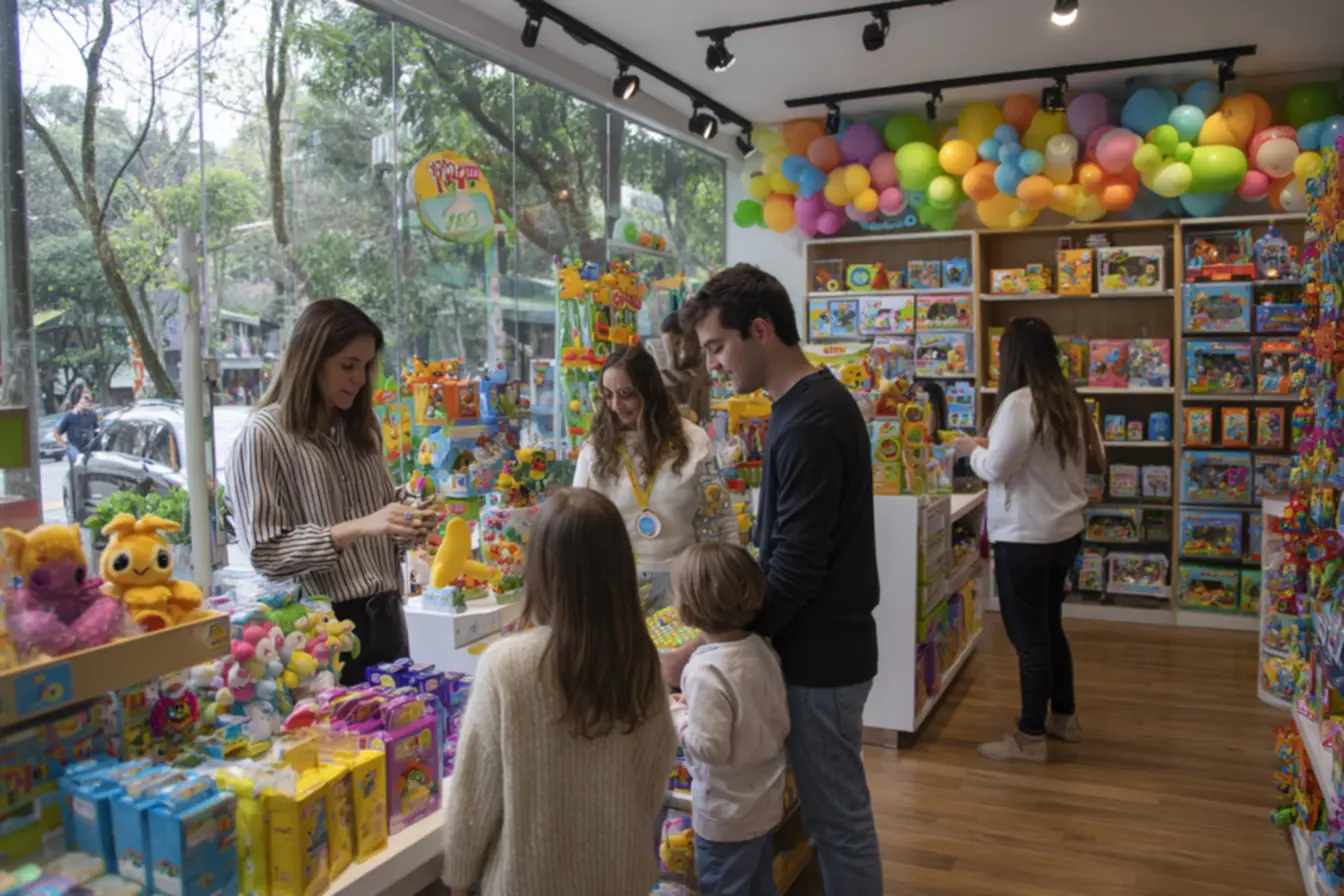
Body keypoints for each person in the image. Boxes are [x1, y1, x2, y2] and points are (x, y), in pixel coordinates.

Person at [674, 264, 884, 895]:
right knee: (826, 817)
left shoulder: (811, 419)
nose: (714, 366)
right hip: (821, 649)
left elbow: (795, 567)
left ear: (759, 330)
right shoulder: (804, 408)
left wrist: (718, 641)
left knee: (837, 822)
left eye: (717, 347)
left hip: (824, 658)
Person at [441, 488, 677, 896]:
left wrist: (459, 877)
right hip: (621, 877)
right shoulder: (641, 665)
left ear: (541, 567)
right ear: (620, 567)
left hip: (527, 882)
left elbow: (474, 795)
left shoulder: (506, 665)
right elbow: (653, 780)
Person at [227, 298, 437, 685]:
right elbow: (266, 553)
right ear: (311, 360)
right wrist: (356, 528)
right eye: (347, 365)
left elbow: (378, 514)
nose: (358, 379)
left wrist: (407, 518)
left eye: (366, 366)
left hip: (387, 619)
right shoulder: (264, 435)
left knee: (403, 738)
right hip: (319, 636)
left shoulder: (362, 428)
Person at [954, 316, 1106, 763]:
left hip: (1025, 537)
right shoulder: (1070, 401)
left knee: (1028, 639)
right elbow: (1090, 458)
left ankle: (1030, 736)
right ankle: (1064, 717)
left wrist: (971, 451)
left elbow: (997, 468)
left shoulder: (1020, 403)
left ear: (1013, 357)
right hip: (1064, 533)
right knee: (1050, 626)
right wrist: (992, 445)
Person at [572, 343, 736, 613]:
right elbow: (577, 527)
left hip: (686, 583)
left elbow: (721, 517)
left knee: (676, 655)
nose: (615, 406)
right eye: (608, 395)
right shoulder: (594, 450)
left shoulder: (693, 440)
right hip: (616, 584)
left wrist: (727, 580)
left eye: (626, 394)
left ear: (649, 392)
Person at [670, 542, 789, 896]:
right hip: (764, 802)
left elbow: (710, 748)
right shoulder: (761, 649)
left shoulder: (703, 670)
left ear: (688, 606)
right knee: (759, 883)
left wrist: (677, 713)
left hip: (725, 817)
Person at [658, 312, 711, 424]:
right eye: (669, 345)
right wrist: (671, 364)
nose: (674, 350)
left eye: (677, 343)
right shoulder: (658, 367)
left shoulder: (702, 363)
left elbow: (704, 415)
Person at [54, 391, 99, 464]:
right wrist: (64, 445)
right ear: (78, 401)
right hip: (74, 446)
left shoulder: (93, 414)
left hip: (89, 446)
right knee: (76, 463)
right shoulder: (70, 416)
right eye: (84, 399)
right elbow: (57, 432)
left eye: (88, 400)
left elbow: (97, 430)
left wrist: (96, 441)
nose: (86, 402)